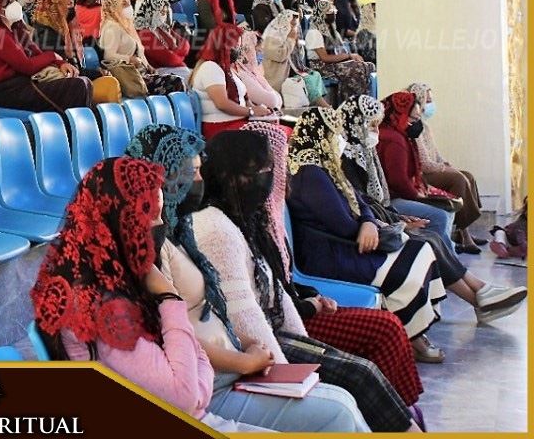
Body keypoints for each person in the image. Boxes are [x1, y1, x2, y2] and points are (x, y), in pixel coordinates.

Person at [31, 156, 361, 433]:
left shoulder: (117, 276)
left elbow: (189, 382)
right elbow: (185, 397)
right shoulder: (100, 305)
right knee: (337, 414)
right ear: (122, 221)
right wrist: (170, 299)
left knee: (342, 405)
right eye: (152, 215)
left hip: (199, 407)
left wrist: (196, 383)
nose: (160, 224)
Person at [127, 126, 383, 432]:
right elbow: (174, 332)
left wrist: (250, 349)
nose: (199, 180)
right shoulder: (159, 242)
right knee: (340, 407)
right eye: (191, 172)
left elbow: (227, 307)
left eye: (200, 170)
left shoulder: (181, 230)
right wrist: (249, 362)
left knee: (344, 400)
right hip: (212, 382)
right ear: (164, 177)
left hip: (234, 361)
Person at [192, 129, 422, 432]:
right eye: (261, 170)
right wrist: (285, 376)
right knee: (358, 376)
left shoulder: (248, 216)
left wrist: (304, 338)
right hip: (261, 346)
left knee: (368, 362)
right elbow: (245, 314)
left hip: (281, 328)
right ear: (230, 174)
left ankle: (404, 418)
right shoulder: (217, 227)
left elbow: (276, 285)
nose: (272, 176)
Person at [243, 120, 429, 405]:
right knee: (377, 347)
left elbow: (282, 281)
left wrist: (311, 296)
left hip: (299, 306)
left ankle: (404, 412)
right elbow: (259, 311)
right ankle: (396, 414)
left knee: (389, 325)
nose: (282, 172)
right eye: (271, 167)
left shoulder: (266, 215)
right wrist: (310, 305)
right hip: (285, 326)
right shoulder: (244, 222)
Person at [337, 96, 525, 335]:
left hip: (383, 213)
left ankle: (480, 292)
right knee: (430, 236)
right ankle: (479, 296)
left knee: (433, 233)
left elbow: (371, 200)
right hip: (374, 224)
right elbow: (363, 202)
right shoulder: (353, 157)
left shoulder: (366, 150)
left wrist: (397, 217)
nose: (376, 130)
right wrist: (396, 219)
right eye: (372, 124)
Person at [285, 108, 446, 343]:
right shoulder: (308, 175)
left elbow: (360, 200)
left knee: (421, 248)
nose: (339, 138)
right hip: (331, 252)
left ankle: (413, 333)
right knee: (412, 257)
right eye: (335, 133)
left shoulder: (326, 166)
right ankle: (411, 337)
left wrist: (369, 222)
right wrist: (368, 226)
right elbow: (342, 225)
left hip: (350, 241)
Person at [0, 0, 91, 112]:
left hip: (27, 83)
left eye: (14, 0)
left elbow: (36, 52)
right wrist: (54, 56)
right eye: (9, 2)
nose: (14, 5)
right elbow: (27, 66)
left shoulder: (15, 27)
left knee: (85, 82)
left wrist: (60, 63)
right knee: (78, 86)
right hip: (10, 91)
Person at [405, 82, 485, 251]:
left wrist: (446, 164)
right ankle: (464, 235)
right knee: (458, 179)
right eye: (428, 100)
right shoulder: (414, 127)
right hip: (422, 174)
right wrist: (444, 169)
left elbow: (436, 155)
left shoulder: (425, 126)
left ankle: (464, 232)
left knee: (467, 175)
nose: (431, 104)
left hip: (433, 169)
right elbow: (424, 164)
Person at [190, 24, 273, 137]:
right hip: (220, 128)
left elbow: (245, 101)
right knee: (277, 135)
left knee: (280, 130)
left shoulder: (227, 69)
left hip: (236, 123)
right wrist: (251, 111)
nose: (238, 50)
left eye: (239, 46)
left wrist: (261, 111)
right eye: (235, 46)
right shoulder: (210, 67)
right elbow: (222, 103)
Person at [98, 0, 184, 96]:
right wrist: (129, 59)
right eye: (124, 4)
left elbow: (139, 52)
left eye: (129, 3)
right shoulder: (111, 27)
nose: (129, 7)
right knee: (175, 82)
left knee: (176, 81)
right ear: (113, 7)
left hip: (142, 75)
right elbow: (108, 56)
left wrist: (148, 66)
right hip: (131, 78)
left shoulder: (127, 25)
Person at [304, 0, 374, 102]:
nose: (333, 14)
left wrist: (351, 57)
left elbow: (340, 51)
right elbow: (325, 58)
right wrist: (349, 56)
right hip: (321, 67)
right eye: (330, 12)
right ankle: (350, 102)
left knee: (369, 66)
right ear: (322, 14)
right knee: (357, 68)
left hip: (333, 64)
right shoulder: (314, 33)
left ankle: (365, 100)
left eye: (334, 11)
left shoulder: (332, 31)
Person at [260, 11, 330, 109]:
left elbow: (299, 56)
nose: (294, 27)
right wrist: (290, 39)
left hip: (289, 72)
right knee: (308, 80)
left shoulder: (288, 35)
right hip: (276, 78)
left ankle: (321, 107)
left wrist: (295, 41)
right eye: (292, 24)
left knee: (315, 75)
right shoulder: (271, 38)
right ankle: (326, 108)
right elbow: (280, 56)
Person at [133, 0, 192, 84]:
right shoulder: (144, 33)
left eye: (165, 12)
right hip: (161, 72)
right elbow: (169, 59)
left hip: (178, 68)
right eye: (161, 12)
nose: (164, 15)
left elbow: (185, 44)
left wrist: (175, 54)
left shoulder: (161, 27)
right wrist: (180, 55)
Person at [231, 30, 283, 113]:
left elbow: (278, 99)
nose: (260, 55)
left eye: (262, 51)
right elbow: (272, 101)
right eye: (258, 51)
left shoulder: (254, 72)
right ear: (249, 51)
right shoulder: (241, 73)